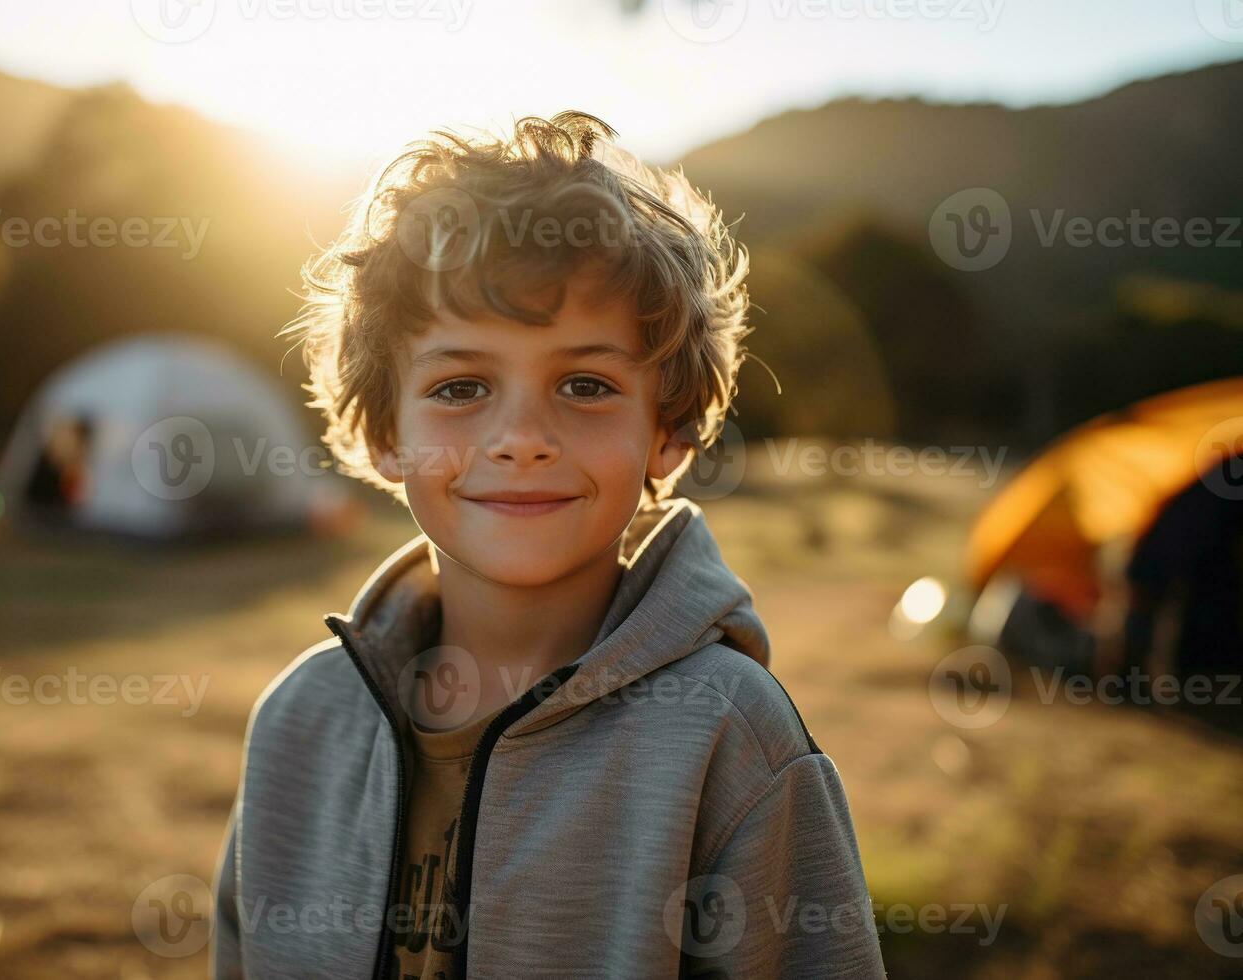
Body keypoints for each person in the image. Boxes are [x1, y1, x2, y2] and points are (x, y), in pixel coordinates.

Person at [212, 111, 886, 979]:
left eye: (584, 383)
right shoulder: (299, 720)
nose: (522, 436)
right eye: (461, 386)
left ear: (668, 433)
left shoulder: (728, 737)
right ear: (385, 432)